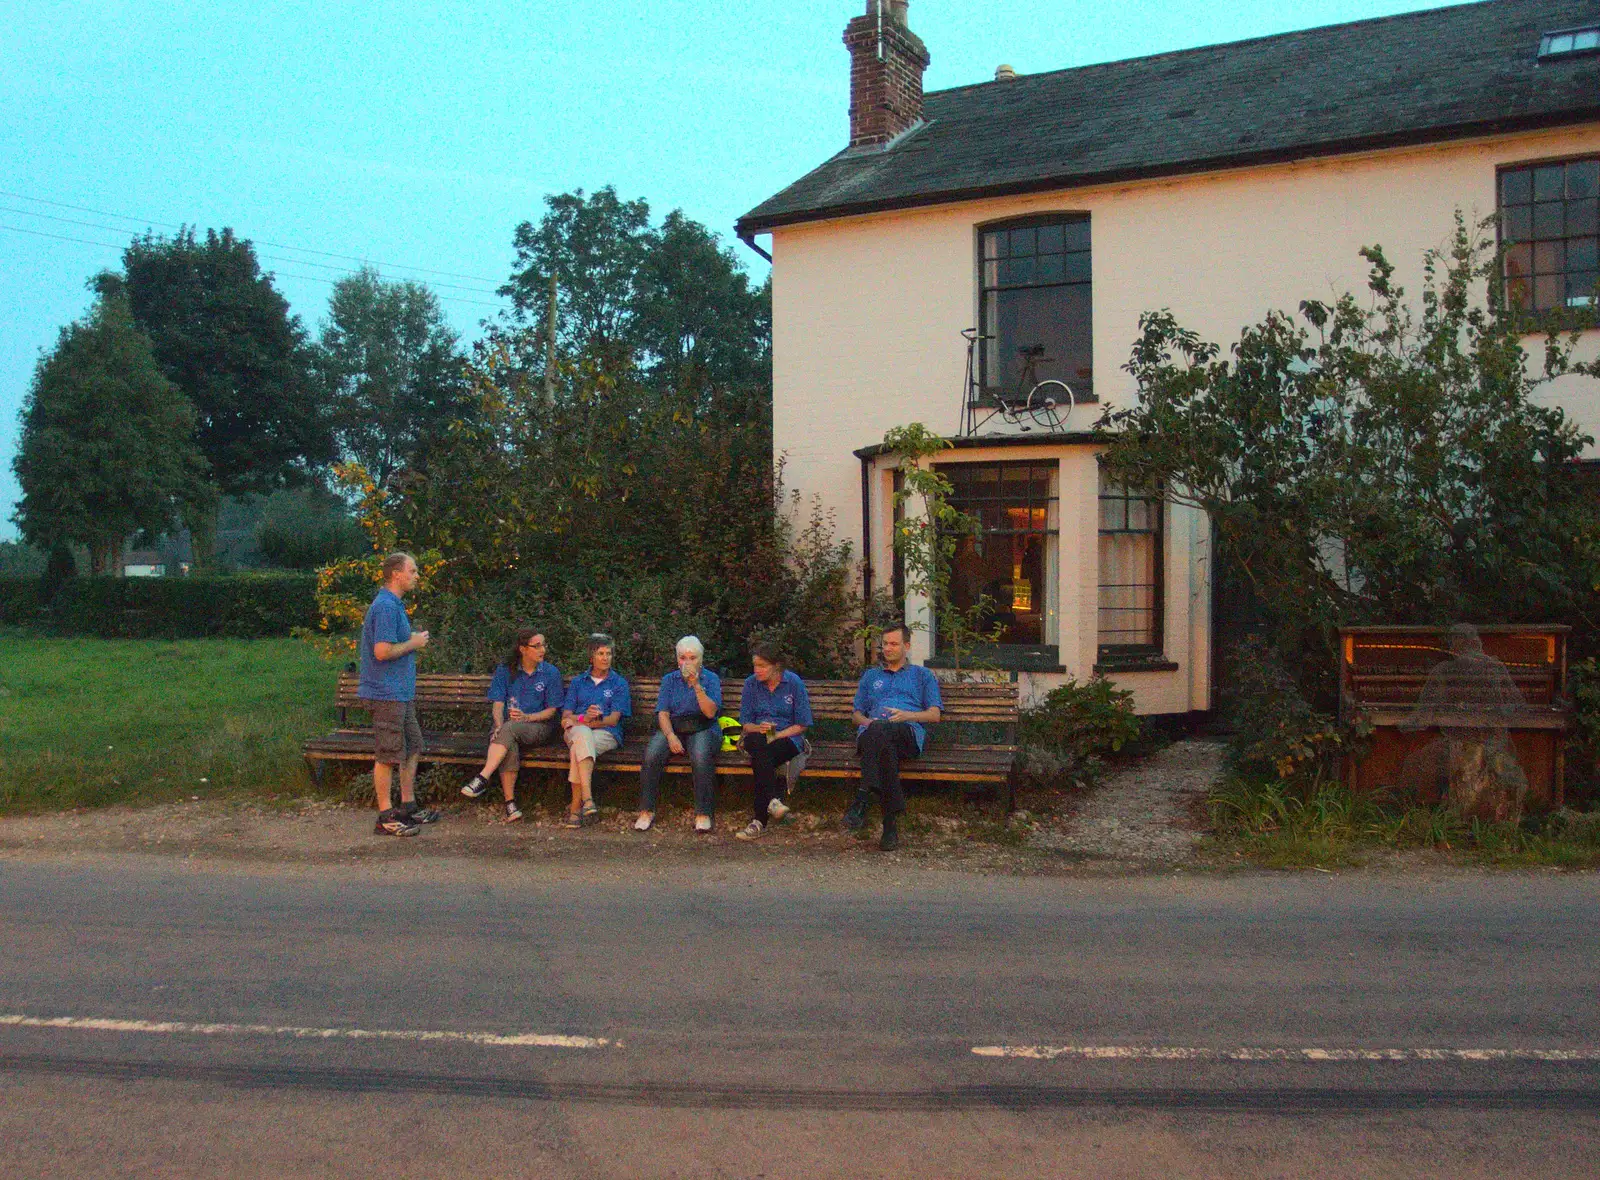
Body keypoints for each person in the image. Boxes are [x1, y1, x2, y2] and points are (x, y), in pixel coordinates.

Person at [359, 551, 440, 836]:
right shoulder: (385, 607)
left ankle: (408, 806)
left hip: (401, 693)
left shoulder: (395, 605)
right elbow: (382, 651)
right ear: (396, 574)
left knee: (412, 747)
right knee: (388, 753)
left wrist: (411, 641)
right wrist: (414, 643)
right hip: (386, 693)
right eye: (413, 571)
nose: (417, 576)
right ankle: (385, 816)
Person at [845, 622, 942, 851]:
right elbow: (856, 715)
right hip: (873, 733)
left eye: (893, 644)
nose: (887, 648)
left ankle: (863, 796)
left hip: (905, 733)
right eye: (885, 644)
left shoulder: (922, 676)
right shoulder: (871, 676)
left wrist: (907, 715)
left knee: (882, 735)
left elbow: (935, 715)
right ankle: (889, 826)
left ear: (906, 646)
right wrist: (869, 723)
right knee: (880, 739)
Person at [461, 629, 563, 822]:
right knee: (508, 739)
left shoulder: (550, 672)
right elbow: (498, 704)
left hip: (539, 726)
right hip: (509, 727)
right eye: (537, 646)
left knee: (509, 730)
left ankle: (483, 777)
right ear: (523, 649)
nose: (543, 650)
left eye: (544, 645)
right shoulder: (506, 670)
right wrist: (498, 724)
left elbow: (551, 711)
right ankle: (510, 804)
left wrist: (527, 717)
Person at [636, 636, 723, 833]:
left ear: (700, 660)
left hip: (704, 726)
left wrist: (696, 686)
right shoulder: (670, 680)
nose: (687, 662)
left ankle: (703, 812)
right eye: (683, 658)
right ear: (678, 660)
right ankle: (646, 810)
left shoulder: (711, 679)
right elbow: (663, 713)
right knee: (652, 754)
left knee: (700, 756)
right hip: (675, 726)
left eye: (692, 658)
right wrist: (670, 736)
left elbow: (710, 713)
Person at [735, 643, 813, 841]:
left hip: (786, 735)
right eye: (755, 665)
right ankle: (772, 802)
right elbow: (745, 723)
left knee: (762, 757)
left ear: (776, 666)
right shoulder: (750, 684)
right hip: (758, 734)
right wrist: (759, 728)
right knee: (759, 744)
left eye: (762, 666)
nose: (757, 670)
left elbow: (803, 724)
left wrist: (778, 734)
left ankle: (758, 821)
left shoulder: (793, 683)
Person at [561, 633, 631, 829]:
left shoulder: (619, 683)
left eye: (608, 653)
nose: (605, 658)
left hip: (606, 733)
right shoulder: (578, 682)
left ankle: (577, 806)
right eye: (601, 653)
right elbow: (566, 716)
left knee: (579, 746)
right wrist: (584, 718)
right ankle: (588, 799)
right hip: (579, 730)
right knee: (582, 737)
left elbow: (613, 719)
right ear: (591, 656)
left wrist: (590, 722)